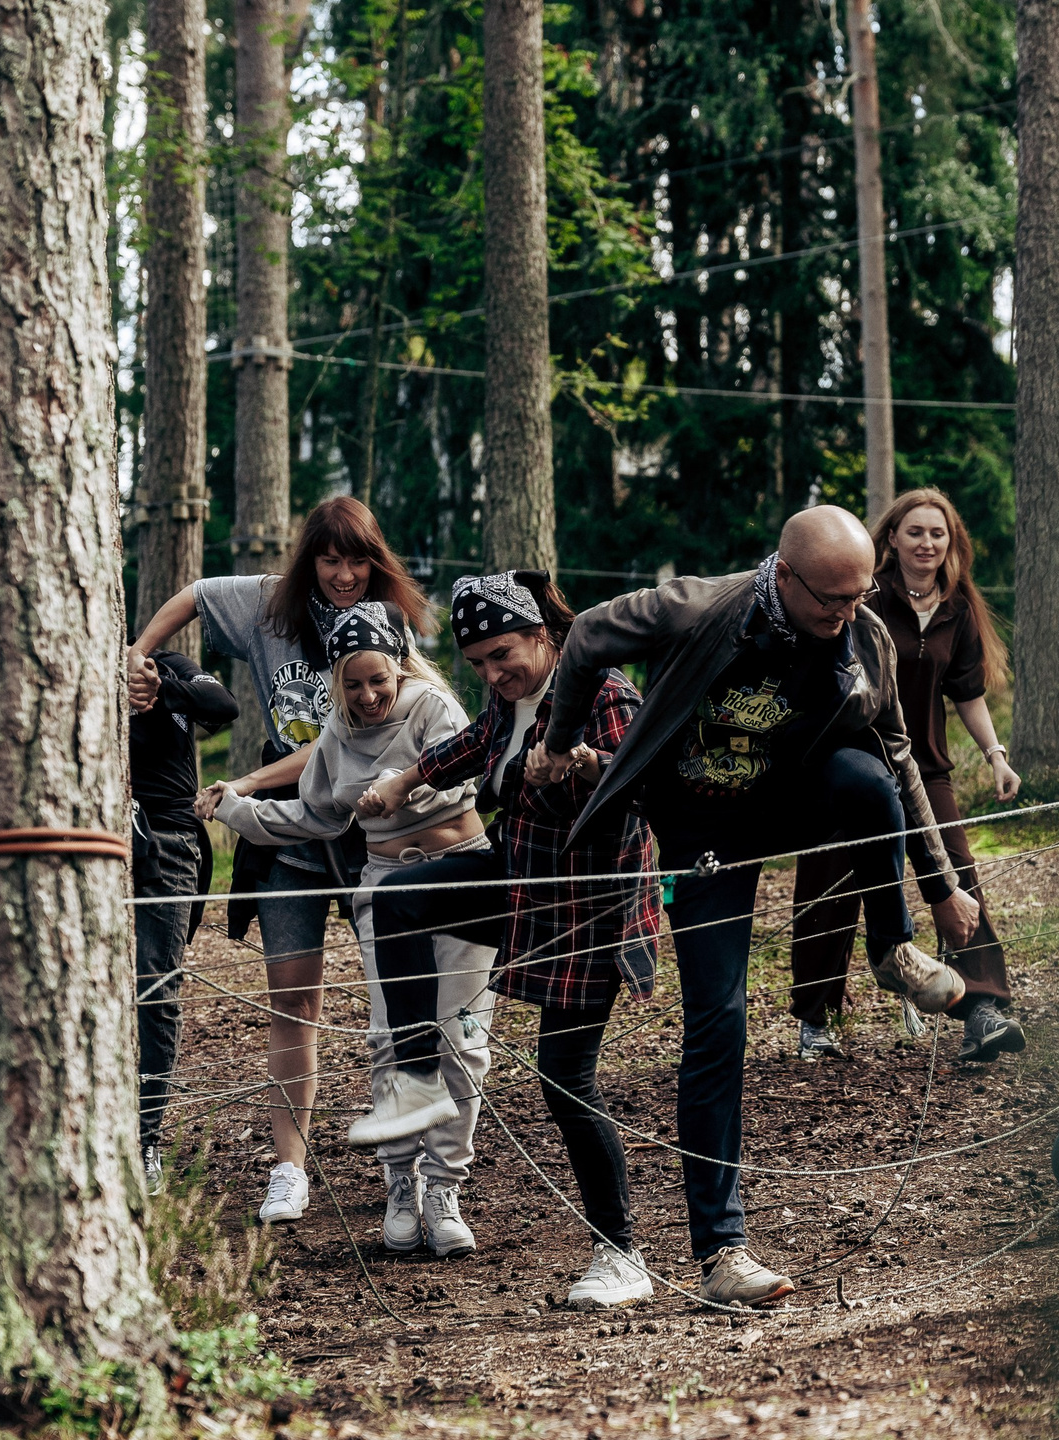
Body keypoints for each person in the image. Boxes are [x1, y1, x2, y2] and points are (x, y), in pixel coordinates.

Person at [531, 506, 983, 1305]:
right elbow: (589, 633)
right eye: (830, 601)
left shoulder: (865, 632)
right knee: (718, 1019)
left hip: (799, 801)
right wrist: (563, 736)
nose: (846, 614)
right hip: (703, 827)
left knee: (869, 779)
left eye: (858, 595)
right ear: (784, 575)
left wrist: (940, 882)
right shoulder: (705, 607)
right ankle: (723, 1253)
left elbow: (902, 759)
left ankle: (890, 950)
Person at [357, 570, 663, 1308]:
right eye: (483, 663)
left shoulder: (605, 694)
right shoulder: (507, 702)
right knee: (396, 901)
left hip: (590, 909)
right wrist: (403, 783)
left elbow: (644, 787)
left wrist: (585, 766)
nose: (496, 672)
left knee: (566, 1078)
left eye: (505, 653)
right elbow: (472, 745)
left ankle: (621, 1254)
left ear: (540, 635)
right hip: (521, 883)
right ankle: (419, 1083)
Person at [126, 495, 431, 1225]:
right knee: (292, 1000)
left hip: (369, 829)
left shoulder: (390, 626)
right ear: (310, 560)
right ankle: (288, 1168)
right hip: (289, 835)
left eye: (358, 559)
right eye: (330, 559)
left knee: (397, 1001)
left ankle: (412, 1169)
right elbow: (196, 596)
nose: (344, 574)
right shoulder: (270, 606)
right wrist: (135, 658)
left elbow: (409, 725)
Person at [195, 602, 494, 1251]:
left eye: (378, 680)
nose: (367, 696)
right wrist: (239, 811)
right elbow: (314, 815)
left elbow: (468, 773)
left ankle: (444, 1190)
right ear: (336, 680)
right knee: (395, 1040)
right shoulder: (335, 732)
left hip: (460, 876)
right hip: (386, 888)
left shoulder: (435, 708)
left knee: (463, 1040)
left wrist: (397, 788)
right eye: (352, 684)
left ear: (401, 668)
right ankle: (399, 1187)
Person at [789, 489, 1026, 1064]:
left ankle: (984, 1007)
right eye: (914, 531)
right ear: (892, 537)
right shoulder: (866, 596)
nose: (926, 542)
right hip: (850, 767)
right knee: (832, 879)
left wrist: (995, 753)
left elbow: (967, 696)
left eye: (937, 533)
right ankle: (817, 1016)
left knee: (958, 872)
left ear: (951, 544)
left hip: (928, 769)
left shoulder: (957, 611)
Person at [127, 645, 239, 1191]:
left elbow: (223, 706)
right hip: (88, 836)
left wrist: (156, 683)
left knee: (156, 986)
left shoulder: (165, 663)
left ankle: (143, 1140)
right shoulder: (59, 656)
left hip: (169, 837)